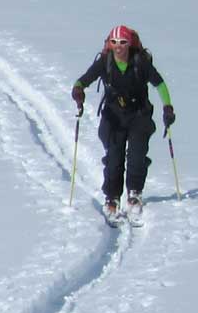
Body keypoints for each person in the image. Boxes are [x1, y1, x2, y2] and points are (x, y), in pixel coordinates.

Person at [70, 25, 175, 221]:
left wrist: (167, 107)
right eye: (114, 42)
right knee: (114, 157)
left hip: (138, 114)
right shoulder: (105, 62)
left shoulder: (140, 62)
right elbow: (82, 81)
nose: (118, 47)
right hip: (114, 115)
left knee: (137, 155)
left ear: (130, 44)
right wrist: (78, 92)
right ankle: (112, 197)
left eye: (123, 42)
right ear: (109, 44)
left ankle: (134, 193)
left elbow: (159, 84)